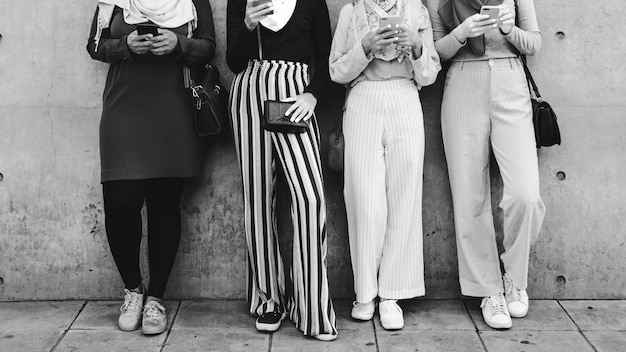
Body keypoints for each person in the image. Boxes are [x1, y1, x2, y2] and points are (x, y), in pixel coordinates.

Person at [86, 0, 215, 335]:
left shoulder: (193, 1)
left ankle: (156, 297)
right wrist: (125, 45)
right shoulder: (113, 2)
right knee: (120, 202)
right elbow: (95, 45)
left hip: (173, 108)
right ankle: (133, 290)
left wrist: (179, 44)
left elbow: (209, 48)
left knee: (164, 205)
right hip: (122, 108)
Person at [425, 0, 546, 329]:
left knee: (526, 194)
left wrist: (509, 29)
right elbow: (435, 53)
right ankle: (488, 291)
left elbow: (534, 42)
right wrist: (462, 33)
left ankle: (514, 277)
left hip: (511, 81)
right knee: (469, 197)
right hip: (463, 81)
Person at [226, 0, 337, 341]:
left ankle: (312, 308)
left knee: (310, 199)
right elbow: (233, 62)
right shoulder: (242, 1)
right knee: (259, 199)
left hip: (295, 99)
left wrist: (313, 96)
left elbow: (326, 55)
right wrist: (245, 25)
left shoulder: (311, 3)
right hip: (249, 93)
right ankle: (268, 299)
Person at [329, 0, 440, 330]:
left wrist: (418, 46)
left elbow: (430, 74)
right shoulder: (352, 12)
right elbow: (336, 71)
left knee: (404, 196)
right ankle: (365, 291)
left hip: (406, 97)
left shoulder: (417, 11)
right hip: (363, 97)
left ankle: (392, 293)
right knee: (363, 200)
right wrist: (365, 47)